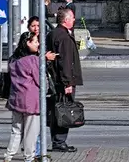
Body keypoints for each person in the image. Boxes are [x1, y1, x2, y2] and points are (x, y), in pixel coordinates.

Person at [47, 8, 83, 153]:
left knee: (57, 109)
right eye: (72, 18)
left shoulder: (53, 34)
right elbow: (66, 62)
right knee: (64, 111)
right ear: (66, 20)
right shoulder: (64, 37)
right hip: (63, 81)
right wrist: (68, 83)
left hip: (56, 79)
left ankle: (57, 141)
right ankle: (59, 141)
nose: (74, 20)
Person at [4, 33, 42, 162]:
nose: (38, 44)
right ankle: (29, 157)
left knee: (16, 130)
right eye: (35, 42)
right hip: (31, 101)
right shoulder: (33, 60)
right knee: (31, 131)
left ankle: (8, 156)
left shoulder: (13, 59)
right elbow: (39, 80)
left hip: (16, 99)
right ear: (28, 43)